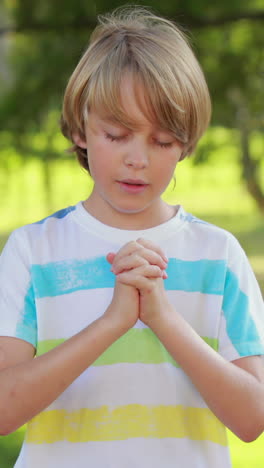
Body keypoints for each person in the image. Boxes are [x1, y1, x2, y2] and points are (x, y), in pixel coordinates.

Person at [0, 6, 263, 468]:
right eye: (117, 134)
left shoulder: (219, 255)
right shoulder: (32, 251)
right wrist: (112, 323)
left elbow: (251, 420)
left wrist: (162, 318)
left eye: (162, 141)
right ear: (80, 129)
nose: (138, 159)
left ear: (185, 143)